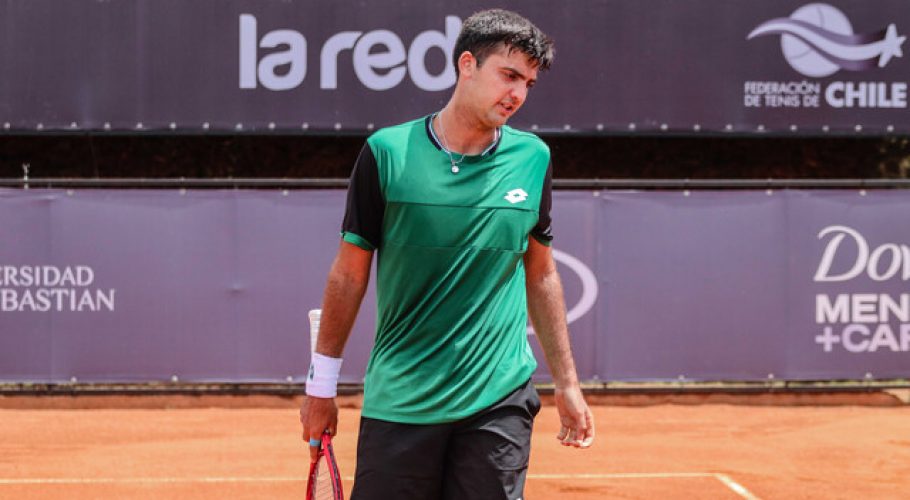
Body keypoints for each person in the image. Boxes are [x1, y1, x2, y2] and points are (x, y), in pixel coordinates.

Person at [300, 8, 594, 499]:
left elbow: (540, 273)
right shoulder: (386, 153)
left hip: (497, 398)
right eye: (508, 75)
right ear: (466, 65)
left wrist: (567, 382)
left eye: (528, 83)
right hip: (401, 400)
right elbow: (349, 275)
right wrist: (321, 386)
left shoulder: (533, 159)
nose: (517, 94)